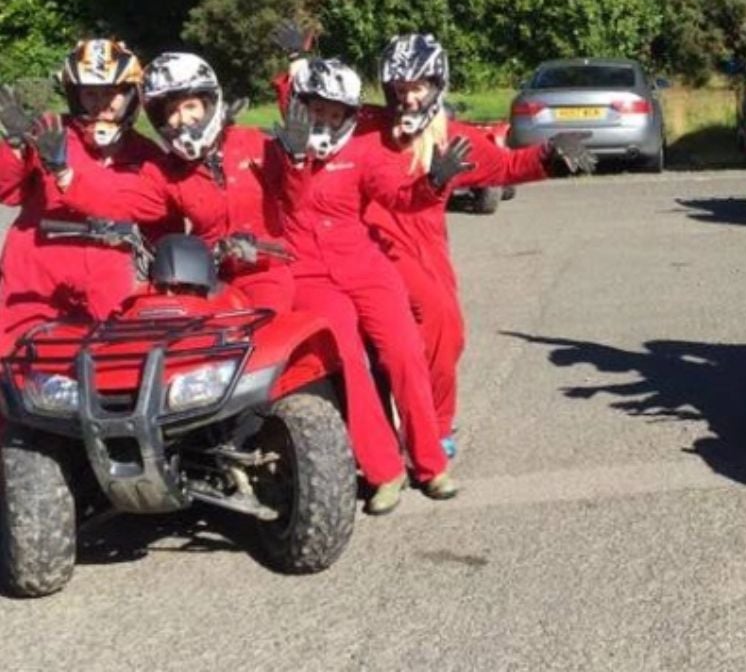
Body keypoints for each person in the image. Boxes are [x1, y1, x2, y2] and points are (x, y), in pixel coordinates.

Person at [273, 28, 595, 459]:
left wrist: (549, 157)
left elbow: (505, 165)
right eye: (398, 89)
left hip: (420, 245)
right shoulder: (363, 124)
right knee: (370, 334)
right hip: (359, 244)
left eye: (416, 88)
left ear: (436, 86)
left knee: (446, 329)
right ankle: (379, 430)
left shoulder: (450, 137)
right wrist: (298, 58)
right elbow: (310, 106)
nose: (406, 98)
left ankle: (434, 425)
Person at [272, 54, 475, 513]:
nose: (323, 119)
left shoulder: (362, 149)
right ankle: (384, 471)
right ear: (301, 108)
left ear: (348, 115)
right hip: (308, 273)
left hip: (365, 266)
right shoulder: (283, 149)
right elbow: (290, 198)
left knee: (403, 352)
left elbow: (398, 197)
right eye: (314, 109)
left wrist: (433, 184)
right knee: (349, 359)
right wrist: (294, 158)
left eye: (333, 112)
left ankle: (431, 464)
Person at [49, 52, 294, 315]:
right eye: (172, 111)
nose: (182, 118)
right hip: (202, 276)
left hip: (264, 271)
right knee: (168, 334)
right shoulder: (164, 170)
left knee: (265, 335)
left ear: (208, 104)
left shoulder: (254, 143)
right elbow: (122, 200)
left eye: (190, 106)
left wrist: (297, 158)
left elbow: (298, 191)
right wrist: (65, 175)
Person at [0, 39, 181, 351]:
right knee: (17, 371)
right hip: (35, 276)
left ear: (130, 95)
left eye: (112, 93)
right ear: (75, 96)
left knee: (107, 372)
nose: (101, 103)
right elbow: (9, 191)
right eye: (90, 93)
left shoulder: (147, 155)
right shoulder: (49, 131)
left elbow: (162, 223)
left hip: (109, 282)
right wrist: (15, 147)